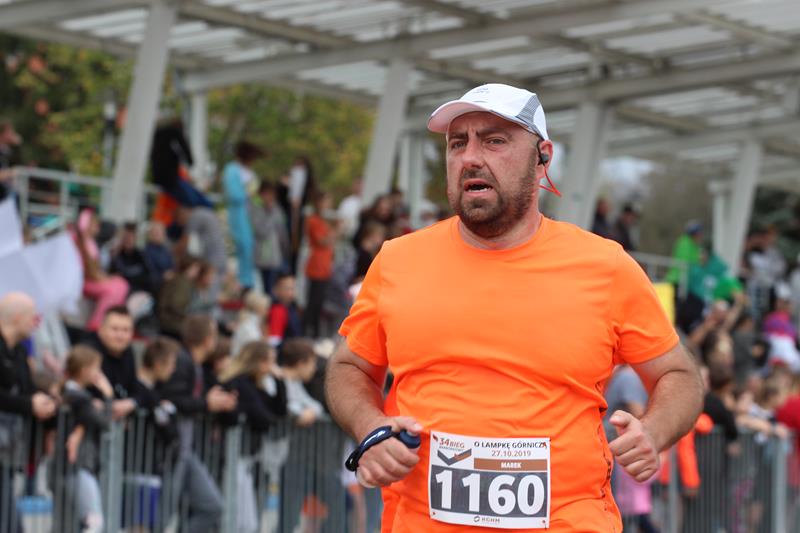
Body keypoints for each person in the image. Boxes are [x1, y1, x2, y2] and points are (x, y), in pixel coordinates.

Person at [326, 83, 704, 532]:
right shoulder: (397, 261)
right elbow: (349, 367)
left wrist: (654, 432)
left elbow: (679, 374)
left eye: (494, 141)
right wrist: (371, 427)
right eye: (457, 143)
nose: (470, 157)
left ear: (542, 157)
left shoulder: (606, 266)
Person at [157, 314, 235, 533]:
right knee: (164, 515)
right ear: (208, 338)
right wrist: (206, 404)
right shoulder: (182, 361)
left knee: (212, 506)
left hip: (186, 448)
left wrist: (211, 402)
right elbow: (172, 400)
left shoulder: (196, 364)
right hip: (173, 448)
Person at [0, 293, 56, 533]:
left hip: (7, 449)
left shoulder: (20, 352)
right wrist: (29, 404)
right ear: (17, 317)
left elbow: (28, 391)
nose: (36, 323)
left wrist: (48, 404)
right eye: (33, 317)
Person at [59, 346, 113, 533]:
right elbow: (105, 422)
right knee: (94, 522)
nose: (99, 374)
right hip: (78, 465)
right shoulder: (79, 398)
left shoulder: (72, 395)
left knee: (68, 525)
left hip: (70, 466)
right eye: (96, 368)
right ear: (84, 370)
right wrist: (108, 396)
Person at [79, 305, 142, 420]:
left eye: (126, 330)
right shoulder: (87, 351)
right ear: (101, 329)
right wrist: (91, 401)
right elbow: (75, 387)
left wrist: (131, 402)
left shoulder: (128, 351)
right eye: (114, 329)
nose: (120, 336)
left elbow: (136, 387)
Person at [73, 208, 130, 331]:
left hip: (91, 280)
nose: (98, 227)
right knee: (115, 288)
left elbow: (96, 270)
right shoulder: (79, 243)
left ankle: (111, 320)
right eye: (95, 224)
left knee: (121, 284)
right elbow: (88, 272)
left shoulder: (90, 243)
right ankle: (97, 323)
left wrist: (106, 278)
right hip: (84, 283)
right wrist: (105, 279)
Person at [223, 141, 264, 290]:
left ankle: (247, 282)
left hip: (251, 215)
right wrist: (247, 192)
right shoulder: (232, 170)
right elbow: (234, 194)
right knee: (240, 247)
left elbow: (256, 197)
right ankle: (239, 282)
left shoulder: (250, 173)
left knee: (249, 249)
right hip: (238, 214)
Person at [303, 191, 338, 338]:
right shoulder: (314, 221)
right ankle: (308, 330)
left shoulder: (322, 221)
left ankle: (314, 331)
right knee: (314, 301)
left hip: (324, 265)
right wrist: (336, 230)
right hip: (316, 265)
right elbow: (322, 241)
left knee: (319, 301)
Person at [250, 180, 289, 295]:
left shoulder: (278, 210)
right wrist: (270, 213)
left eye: (271, 194)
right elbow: (262, 231)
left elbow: (282, 232)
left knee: (276, 290)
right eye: (266, 194)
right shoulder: (256, 210)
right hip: (261, 258)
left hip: (276, 257)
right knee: (263, 290)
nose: (269, 197)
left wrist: (286, 251)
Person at [111, 222, 156, 295]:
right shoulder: (117, 254)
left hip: (140, 290)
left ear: (135, 238)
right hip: (123, 289)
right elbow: (118, 272)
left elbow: (149, 273)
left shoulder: (141, 254)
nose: (128, 240)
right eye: (125, 237)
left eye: (131, 237)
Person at [231, 290, 270, 357]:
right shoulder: (248, 326)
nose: (267, 311)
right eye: (266, 308)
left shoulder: (253, 324)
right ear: (258, 308)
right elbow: (254, 351)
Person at [267, 274, 302, 347]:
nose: (290, 292)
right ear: (276, 290)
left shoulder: (292, 307)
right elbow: (274, 342)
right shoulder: (277, 310)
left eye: (293, 288)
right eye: (287, 289)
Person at [143, 221, 175, 291]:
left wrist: (171, 273)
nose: (160, 235)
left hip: (168, 281)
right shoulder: (147, 251)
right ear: (150, 234)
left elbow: (172, 265)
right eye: (156, 233)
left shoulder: (165, 249)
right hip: (155, 285)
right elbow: (150, 271)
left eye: (161, 232)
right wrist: (163, 276)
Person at [0, 119, 22, 202]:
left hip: (7, 194)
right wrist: (10, 173)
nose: (13, 134)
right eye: (10, 132)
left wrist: (17, 146)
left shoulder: (7, 151)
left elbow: (19, 165)